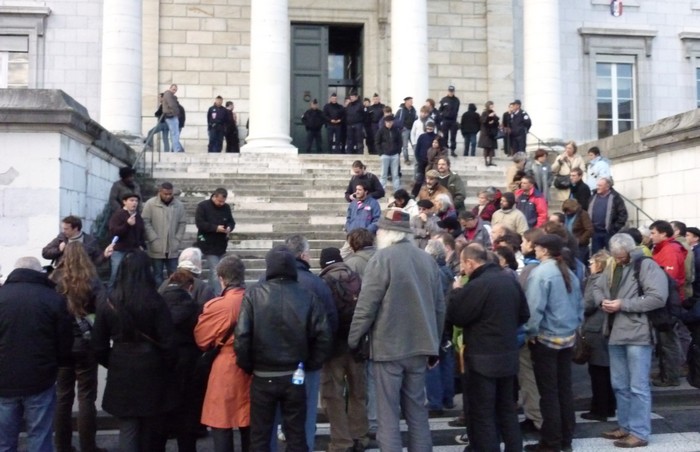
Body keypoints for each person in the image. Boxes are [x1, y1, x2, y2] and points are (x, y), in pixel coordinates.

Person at [348, 208, 445, 452]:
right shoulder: (427, 260)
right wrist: (434, 345)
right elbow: (439, 308)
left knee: (388, 414)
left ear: (385, 233)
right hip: (421, 345)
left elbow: (366, 306)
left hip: (388, 347)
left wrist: (353, 339)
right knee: (417, 411)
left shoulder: (381, 259)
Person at [234, 246, 332, 451]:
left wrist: (248, 365)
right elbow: (323, 335)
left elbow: (242, 336)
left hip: (263, 374)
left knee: (260, 436)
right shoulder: (307, 296)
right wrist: (310, 363)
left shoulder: (254, 295)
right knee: (296, 434)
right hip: (295, 373)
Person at [92, 250, 176, 451]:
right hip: (151, 366)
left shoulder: (108, 301)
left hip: (121, 363)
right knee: (149, 426)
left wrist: (112, 361)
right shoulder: (156, 301)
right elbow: (168, 342)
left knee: (128, 425)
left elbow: (98, 345)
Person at [448, 244, 529, 452]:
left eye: (463, 264)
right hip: (508, 354)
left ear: (470, 262)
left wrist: (456, 292)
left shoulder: (476, 286)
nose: (462, 270)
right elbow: (524, 315)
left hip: (481, 358)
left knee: (483, 413)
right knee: (507, 410)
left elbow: (457, 317)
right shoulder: (509, 281)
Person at [591, 233, 668, 448]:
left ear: (630, 251)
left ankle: (639, 432)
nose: (618, 260)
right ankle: (625, 426)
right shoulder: (612, 265)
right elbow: (597, 286)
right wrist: (602, 301)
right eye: (615, 256)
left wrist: (622, 304)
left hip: (638, 332)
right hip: (614, 331)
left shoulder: (646, 265)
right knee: (620, 385)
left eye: (621, 256)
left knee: (638, 386)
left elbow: (658, 297)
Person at [0, 257, 73, 451]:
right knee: (39, 438)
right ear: (39, 272)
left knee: (4, 440)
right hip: (40, 378)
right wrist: (60, 365)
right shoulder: (53, 298)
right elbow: (64, 341)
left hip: (4, 380)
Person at [523, 234, 583, 452]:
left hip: (546, 339)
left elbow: (533, 309)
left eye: (538, 247)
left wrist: (530, 332)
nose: (535, 249)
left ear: (545, 250)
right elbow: (579, 306)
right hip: (567, 337)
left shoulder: (541, 273)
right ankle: (566, 438)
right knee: (564, 390)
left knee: (548, 393)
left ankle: (551, 442)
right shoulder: (568, 272)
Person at [50, 243, 107, 452]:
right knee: (86, 397)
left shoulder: (54, 279)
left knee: (63, 397)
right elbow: (102, 310)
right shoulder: (91, 280)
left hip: (62, 345)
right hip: (85, 343)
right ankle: (88, 446)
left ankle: (62, 445)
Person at [194, 255, 252, 452]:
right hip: (252, 366)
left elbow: (202, 340)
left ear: (221, 278)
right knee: (249, 422)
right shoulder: (256, 300)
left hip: (225, 367)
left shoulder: (217, 306)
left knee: (222, 421)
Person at [318, 248, 369, 452]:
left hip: (333, 348)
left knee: (333, 396)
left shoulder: (322, 283)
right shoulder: (355, 277)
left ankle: (341, 442)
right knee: (358, 392)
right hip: (357, 344)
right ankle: (360, 436)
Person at [159, 269, 201, 452]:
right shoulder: (194, 307)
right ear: (190, 287)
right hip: (188, 361)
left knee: (162, 416)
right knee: (187, 414)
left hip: (163, 361)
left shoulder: (157, 304)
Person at [649, 220, 687, 387]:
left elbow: (669, 280)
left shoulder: (670, 250)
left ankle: (671, 376)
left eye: (653, 233)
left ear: (663, 233)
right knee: (664, 340)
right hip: (665, 301)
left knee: (668, 340)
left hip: (668, 303)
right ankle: (666, 372)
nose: (651, 236)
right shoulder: (662, 249)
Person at [581, 250, 617, 422]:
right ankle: (609, 406)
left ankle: (599, 409)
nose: (589, 265)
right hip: (608, 327)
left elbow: (588, 304)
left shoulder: (595, 280)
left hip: (595, 329)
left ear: (599, 264)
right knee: (607, 369)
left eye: (591, 262)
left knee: (597, 371)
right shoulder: (613, 278)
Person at [424, 239, 457, 414]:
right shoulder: (448, 272)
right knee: (445, 360)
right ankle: (448, 398)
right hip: (448, 320)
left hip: (436, 321)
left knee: (432, 362)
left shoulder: (433, 273)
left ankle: (435, 402)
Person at [142, 181, 187, 286]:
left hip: (172, 247)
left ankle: (173, 293)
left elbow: (182, 223)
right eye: (165, 194)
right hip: (156, 247)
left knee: (174, 275)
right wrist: (153, 238)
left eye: (170, 194)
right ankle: (160, 294)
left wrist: (177, 239)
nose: (168, 196)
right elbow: (145, 222)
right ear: (160, 192)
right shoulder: (150, 204)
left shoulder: (179, 205)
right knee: (157, 275)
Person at [194, 188, 235, 294]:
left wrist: (229, 227)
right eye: (219, 201)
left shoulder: (226, 207)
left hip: (221, 244)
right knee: (216, 270)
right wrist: (215, 228)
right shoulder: (203, 206)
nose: (221, 204)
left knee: (214, 272)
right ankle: (218, 294)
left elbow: (231, 221)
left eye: (223, 201)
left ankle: (208, 293)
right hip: (207, 243)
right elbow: (200, 223)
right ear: (214, 197)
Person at [108, 192, 146, 288]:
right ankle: (109, 295)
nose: (134, 203)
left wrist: (141, 245)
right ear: (124, 202)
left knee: (135, 276)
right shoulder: (118, 215)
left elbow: (141, 232)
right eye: (131, 200)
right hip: (120, 250)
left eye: (136, 201)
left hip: (134, 251)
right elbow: (114, 232)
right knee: (115, 275)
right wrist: (127, 225)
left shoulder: (138, 217)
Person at [42, 215, 108, 268]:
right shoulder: (61, 238)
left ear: (75, 229)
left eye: (66, 229)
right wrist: (59, 250)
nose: (63, 231)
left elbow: (96, 262)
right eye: (63, 228)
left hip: (81, 276)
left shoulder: (90, 241)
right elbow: (45, 253)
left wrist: (104, 256)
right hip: (62, 275)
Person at [588, 177, 628, 253]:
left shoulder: (615, 197)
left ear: (607, 187)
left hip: (609, 233)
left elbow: (623, 214)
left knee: (611, 255)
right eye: (597, 185)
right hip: (595, 233)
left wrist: (615, 228)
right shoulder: (593, 197)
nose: (597, 187)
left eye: (600, 185)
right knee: (596, 255)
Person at [551, 141, 586, 205]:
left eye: (570, 148)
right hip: (564, 183)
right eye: (566, 148)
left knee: (575, 204)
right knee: (564, 204)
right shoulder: (560, 157)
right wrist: (560, 161)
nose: (567, 150)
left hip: (575, 184)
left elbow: (582, 170)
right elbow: (553, 169)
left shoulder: (579, 158)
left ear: (574, 149)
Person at [375, 114, 403, 189]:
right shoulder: (381, 131)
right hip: (385, 155)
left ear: (393, 122)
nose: (389, 123)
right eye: (387, 122)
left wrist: (398, 152)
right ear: (385, 122)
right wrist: (381, 153)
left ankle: (397, 190)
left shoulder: (396, 130)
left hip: (394, 155)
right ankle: (381, 190)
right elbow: (377, 142)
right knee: (383, 174)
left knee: (395, 174)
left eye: (390, 122)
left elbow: (400, 142)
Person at [412, 120, 438, 197]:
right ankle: (414, 195)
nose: (429, 130)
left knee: (431, 180)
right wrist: (419, 160)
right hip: (422, 162)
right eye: (428, 128)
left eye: (431, 128)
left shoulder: (436, 137)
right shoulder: (422, 137)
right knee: (419, 179)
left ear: (433, 128)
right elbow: (417, 150)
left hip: (431, 163)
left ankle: (430, 195)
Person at [394, 96, 417, 164]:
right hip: (405, 129)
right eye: (410, 101)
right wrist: (401, 127)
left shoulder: (413, 110)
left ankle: (416, 158)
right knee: (405, 146)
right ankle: (406, 159)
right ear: (406, 102)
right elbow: (396, 120)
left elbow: (416, 118)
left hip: (412, 129)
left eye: (412, 101)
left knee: (414, 144)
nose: (411, 102)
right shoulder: (401, 110)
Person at [439, 85, 460, 157]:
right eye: (450, 91)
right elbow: (440, 110)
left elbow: (456, 110)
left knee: (453, 137)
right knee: (445, 136)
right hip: (445, 120)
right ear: (448, 91)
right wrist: (442, 116)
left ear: (454, 92)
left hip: (453, 120)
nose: (451, 93)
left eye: (452, 91)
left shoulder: (456, 100)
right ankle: (445, 150)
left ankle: (452, 150)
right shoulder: (444, 100)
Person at [162, 84, 184, 152]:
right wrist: (177, 113)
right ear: (170, 88)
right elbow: (172, 105)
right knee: (175, 134)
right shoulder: (168, 94)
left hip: (170, 116)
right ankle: (176, 149)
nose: (174, 91)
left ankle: (176, 149)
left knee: (174, 134)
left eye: (175, 90)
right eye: (173, 89)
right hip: (171, 116)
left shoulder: (169, 95)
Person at [345, 90, 365, 154]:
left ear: (356, 97)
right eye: (351, 97)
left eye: (353, 97)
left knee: (359, 140)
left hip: (358, 124)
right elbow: (346, 113)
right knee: (349, 140)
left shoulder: (360, 105)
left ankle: (360, 153)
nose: (351, 98)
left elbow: (364, 115)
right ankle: (349, 153)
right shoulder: (349, 105)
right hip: (349, 125)